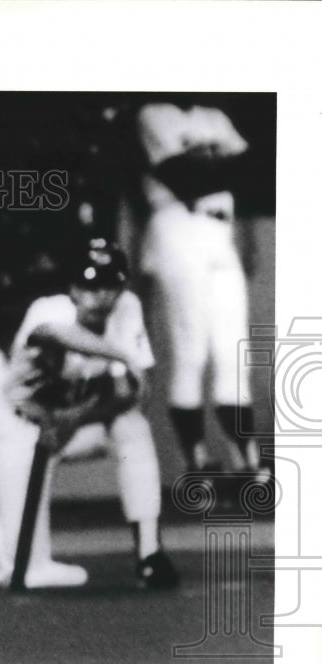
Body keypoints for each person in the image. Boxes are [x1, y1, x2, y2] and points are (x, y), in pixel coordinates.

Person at [0, 238, 179, 589]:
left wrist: (75, 418)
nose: (100, 296)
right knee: (24, 570)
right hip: (20, 427)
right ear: (73, 288)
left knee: (132, 426)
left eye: (110, 285)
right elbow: (59, 335)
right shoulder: (49, 309)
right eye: (90, 286)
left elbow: (129, 395)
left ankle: (150, 554)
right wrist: (123, 356)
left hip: (69, 426)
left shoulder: (127, 306)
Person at [136, 100, 266, 483]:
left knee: (233, 350)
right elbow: (182, 177)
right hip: (178, 225)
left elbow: (254, 170)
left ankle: (246, 459)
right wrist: (223, 166)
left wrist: (204, 165)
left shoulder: (214, 115)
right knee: (190, 349)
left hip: (220, 229)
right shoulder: (154, 113)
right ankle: (196, 461)